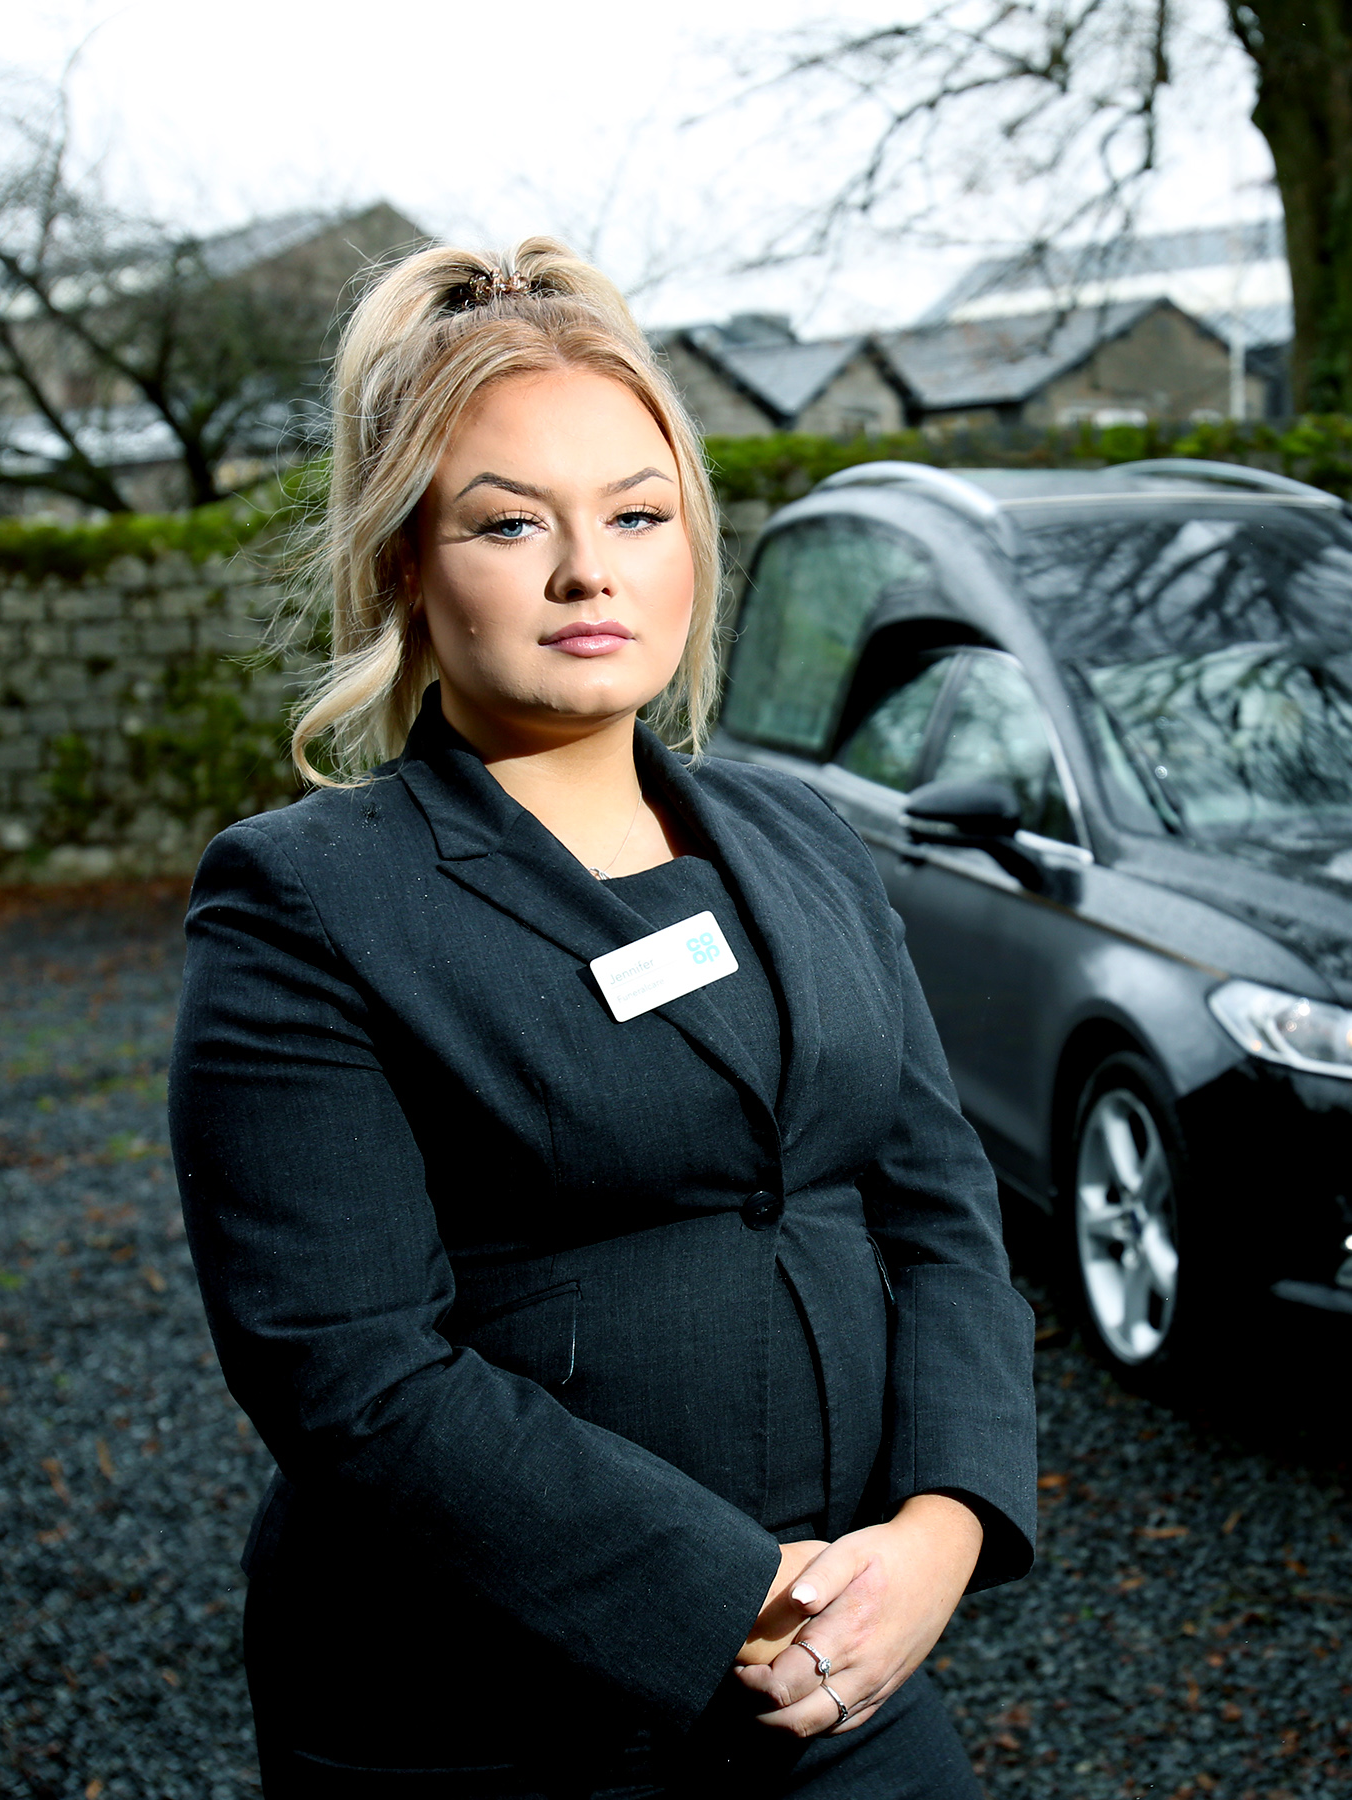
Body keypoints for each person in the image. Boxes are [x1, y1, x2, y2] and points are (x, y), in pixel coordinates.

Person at [167, 239, 1038, 1798]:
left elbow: (940, 1210)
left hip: (850, 1680)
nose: (590, 571)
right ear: (403, 563)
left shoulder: (805, 838)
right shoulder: (305, 901)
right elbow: (349, 1371)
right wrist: (740, 1599)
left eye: (637, 514)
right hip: (488, 1720)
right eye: (511, 523)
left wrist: (942, 1530)